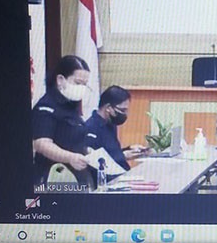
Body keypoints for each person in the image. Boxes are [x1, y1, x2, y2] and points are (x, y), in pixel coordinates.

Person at [31, 55, 95, 190]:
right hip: (54, 178)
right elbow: (42, 144)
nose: (82, 88)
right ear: (60, 80)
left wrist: (87, 151)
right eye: (78, 83)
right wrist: (70, 157)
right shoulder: (46, 107)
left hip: (77, 177)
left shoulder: (71, 106)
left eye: (85, 84)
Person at [84, 86, 149, 187]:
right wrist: (123, 156)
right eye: (122, 110)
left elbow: (111, 151)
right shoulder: (90, 128)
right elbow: (96, 162)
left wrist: (130, 149)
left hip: (122, 175)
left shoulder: (110, 124)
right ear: (108, 108)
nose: (126, 114)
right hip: (108, 182)